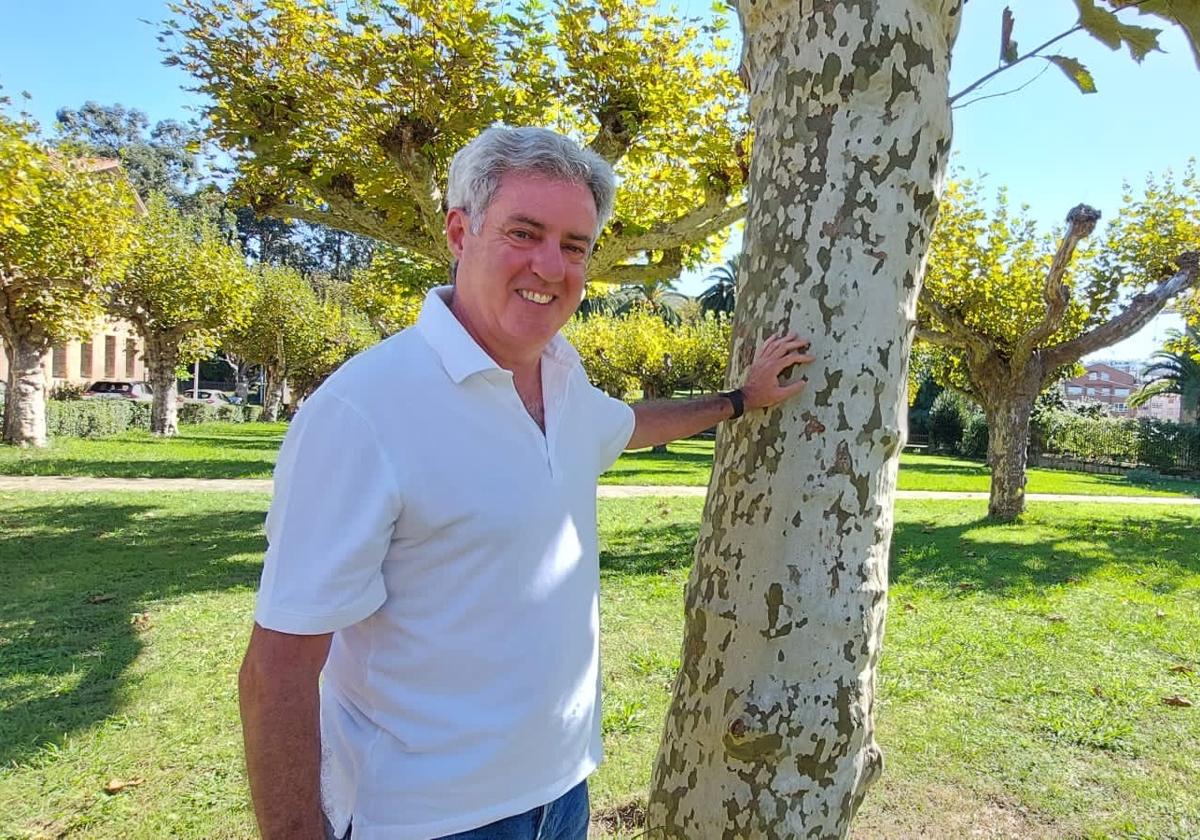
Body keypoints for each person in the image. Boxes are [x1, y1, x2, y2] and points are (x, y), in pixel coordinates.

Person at [239, 126, 814, 840]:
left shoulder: (566, 383)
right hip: (427, 820)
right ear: (459, 231)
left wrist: (736, 401)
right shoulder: (363, 411)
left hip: (563, 794)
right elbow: (277, 670)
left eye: (574, 246)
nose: (551, 266)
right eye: (525, 232)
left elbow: (628, 425)